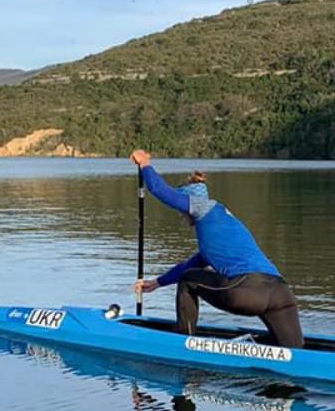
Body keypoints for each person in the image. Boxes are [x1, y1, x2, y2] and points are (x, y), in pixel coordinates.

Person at [129, 149, 305, 347]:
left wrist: (144, 164)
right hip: (281, 294)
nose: (181, 215)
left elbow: (159, 190)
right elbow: (188, 264)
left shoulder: (202, 207)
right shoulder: (223, 223)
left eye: (181, 210)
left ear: (189, 204)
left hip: (246, 291)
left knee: (188, 280)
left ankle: (183, 342)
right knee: (295, 353)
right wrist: (157, 283)